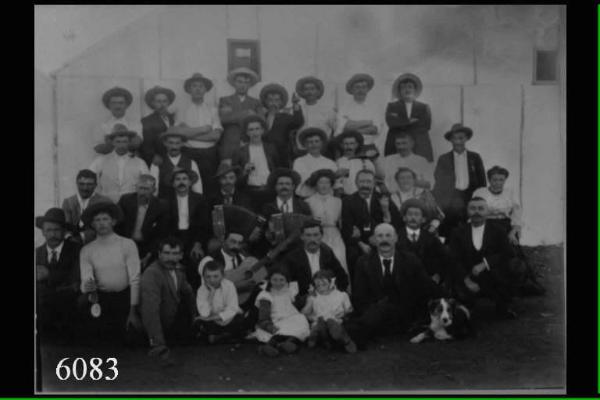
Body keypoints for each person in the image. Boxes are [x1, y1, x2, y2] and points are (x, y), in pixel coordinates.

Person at [344, 223, 442, 349]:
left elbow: (427, 286)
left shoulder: (410, 260)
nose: (384, 240)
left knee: (371, 316)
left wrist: (450, 299)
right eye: (380, 236)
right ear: (373, 240)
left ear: (396, 238)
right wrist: (372, 312)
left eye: (388, 236)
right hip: (374, 315)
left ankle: (346, 336)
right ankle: (349, 335)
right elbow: (359, 296)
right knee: (378, 311)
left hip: (404, 315)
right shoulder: (363, 262)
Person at [472, 167, 545, 296]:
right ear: (489, 180)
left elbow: (516, 213)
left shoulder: (509, 192)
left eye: (501, 180)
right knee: (490, 252)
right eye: (494, 179)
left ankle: (522, 284)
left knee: (513, 251)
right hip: (486, 225)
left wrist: (513, 231)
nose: (498, 183)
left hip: (505, 225)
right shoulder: (480, 192)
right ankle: (489, 284)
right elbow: (475, 211)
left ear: (505, 180)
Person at [78, 202, 143, 345]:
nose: (101, 223)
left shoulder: (127, 244)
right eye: (97, 220)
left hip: (125, 299)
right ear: (92, 224)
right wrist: (87, 286)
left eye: (105, 219)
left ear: (113, 221)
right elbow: (85, 280)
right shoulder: (87, 250)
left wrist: (133, 311)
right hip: (101, 299)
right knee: (99, 341)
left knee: (128, 341)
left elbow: (135, 279)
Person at [448, 197, 517, 319]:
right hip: (467, 275)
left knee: (511, 267)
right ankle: (466, 308)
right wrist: (467, 280)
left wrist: (485, 264)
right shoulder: (457, 232)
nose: (477, 212)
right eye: (473, 208)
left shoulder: (498, 230)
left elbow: (508, 252)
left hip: (492, 274)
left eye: (481, 208)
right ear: (467, 211)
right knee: (463, 304)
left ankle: (503, 306)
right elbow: (454, 259)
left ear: (487, 211)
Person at [140, 237, 197, 361]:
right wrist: (158, 343)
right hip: (158, 329)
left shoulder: (179, 270)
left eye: (175, 254)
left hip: (174, 324)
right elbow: (150, 310)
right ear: (159, 254)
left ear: (181, 255)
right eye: (166, 253)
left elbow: (188, 293)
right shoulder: (152, 274)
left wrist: (195, 318)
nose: (170, 258)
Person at [341, 169, 401, 281]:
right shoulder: (348, 201)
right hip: (359, 241)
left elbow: (396, 222)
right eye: (362, 181)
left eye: (368, 182)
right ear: (356, 183)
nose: (365, 185)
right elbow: (347, 226)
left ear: (374, 183)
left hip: (382, 238)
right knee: (353, 254)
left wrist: (386, 210)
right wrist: (361, 244)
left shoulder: (383, 198)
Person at [433, 123, 486, 238]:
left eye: (461, 138)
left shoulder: (475, 157)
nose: (458, 141)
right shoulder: (444, 158)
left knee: (469, 224)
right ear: (451, 140)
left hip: (470, 195)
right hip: (451, 196)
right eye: (455, 138)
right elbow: (438, 179)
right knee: (449, 225)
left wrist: (479, 197)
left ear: (466, 139)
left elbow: (482, 180)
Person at [35, 208, 81, 341]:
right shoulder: (37, 253)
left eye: (57, 230)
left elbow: (75, 280)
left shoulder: (76, 250)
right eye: (48, 230)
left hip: (68, 309)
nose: (53, 235)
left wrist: (49, 275)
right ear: (43, 232)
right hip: (43, 314)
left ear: (64, 232)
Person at [282, 220, 349, 307]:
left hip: (328, 298)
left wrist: (332, 293)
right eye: (308, 235)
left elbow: (342, 277)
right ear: (302, 237)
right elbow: (287, 285)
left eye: (316, 235)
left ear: (321, 236)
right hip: (304, 301)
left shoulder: (327, 253)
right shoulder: (292, 257)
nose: (312, 239)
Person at [175, 73, 223, 193]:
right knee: (190, 186)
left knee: (209, 187)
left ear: (205, 89)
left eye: (201, 86)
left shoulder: (212, 110)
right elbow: (181, 134)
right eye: (194, 86)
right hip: (189, 153)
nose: (197, 89)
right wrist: (204, 129)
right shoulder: (181, 109)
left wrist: (190, 133)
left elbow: (216, 136)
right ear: (189, 89)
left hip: (209, 155)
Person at [166, 167, 211, 289]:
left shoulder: (200, 199)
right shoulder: (166, 200)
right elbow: (164, 227)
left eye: (185, 179)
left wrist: (198, 244)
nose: (181, 182)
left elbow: (205, 225)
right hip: (173, 238)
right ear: (173, 183)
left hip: (194, 237)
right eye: (178, 179)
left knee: (194, 265)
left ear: (190, 182)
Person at [253, 267, 310, 357]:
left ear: (286, 280)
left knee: (300, 324)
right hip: (277, 321)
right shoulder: (266, 295)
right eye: (274, 280)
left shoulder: (289, 291)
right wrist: (270, 327)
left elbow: (297, 305)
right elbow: (263, 318)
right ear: (269, 280)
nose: (278, 283)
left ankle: (289, 344)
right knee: (281, 332)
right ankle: (268, 347)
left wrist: (309, 295)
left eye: (281, 280)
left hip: (292, 318)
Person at [396, 199, 451, 286]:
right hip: (402, 284)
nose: (413, 218)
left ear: (423, 219)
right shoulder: (395, 238)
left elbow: (444, 259)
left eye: (417, 214)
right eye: (410, 214)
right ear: (404, 218)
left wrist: (438, 275)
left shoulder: (431, 239)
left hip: (427, 283)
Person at [116, 175, 169, 264]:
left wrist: (149, 254)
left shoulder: (161, 206)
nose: (142, 193)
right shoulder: (125, 200)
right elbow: (117, 225)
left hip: (148, 247)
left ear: (154, 190)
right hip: (125, 244)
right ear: (136, 188)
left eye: (146, 189)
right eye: (140, 188)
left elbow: (161, 233)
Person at [89, 124, 149, 203]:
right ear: (112, 142)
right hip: (107, 205)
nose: (121, 145)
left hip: (131, 206)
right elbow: (90, 181)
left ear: (129, 142)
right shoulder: (100, 161)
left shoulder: (140, 163)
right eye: (118, 142)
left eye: (124, 141)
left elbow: (147, 185)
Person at [305, 169, 348, 275]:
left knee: (340, 258)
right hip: (316, 236)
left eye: (327, 182)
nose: (324, 186)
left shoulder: (338, 201)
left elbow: (342, 222)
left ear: (331, 184)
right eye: (321, 182)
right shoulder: (308, 201)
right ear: (316, 184)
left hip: (335, 235)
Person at [301, 270, 356, 353]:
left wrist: (343, 317)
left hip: (337, 321)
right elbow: (304, 313)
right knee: (320, 324)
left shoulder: (342, 295)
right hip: (319, 322)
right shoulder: (313, 297)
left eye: (323, 284)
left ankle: (337, 338)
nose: (320, 286)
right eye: (318, 285)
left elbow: (349, 311)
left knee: (332, 323)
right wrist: (310, 302)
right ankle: (325, 336)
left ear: (331, 282)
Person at [233, 115, 280, 212]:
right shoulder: (240, 152)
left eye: (257, 129)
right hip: (250, 192)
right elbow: (236, 179)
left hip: (270, 190)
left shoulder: (272, 148)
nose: (255, 133)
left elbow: (278, 169)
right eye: (251, 130)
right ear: (246, 132)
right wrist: (245, 172)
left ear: (262, 130)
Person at [218, 67, 264, 164]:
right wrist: (247, 113)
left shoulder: (256, 102)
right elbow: (223, 119)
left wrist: (233, 115)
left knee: (249, 171)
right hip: (229, 144)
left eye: (246, 82)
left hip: (249, 144)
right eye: (240, 82)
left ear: (250, 85)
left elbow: (261, 121)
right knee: (228, 172)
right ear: (234, 83)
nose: (243, 85)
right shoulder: (225, 100)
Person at [195, 260, 247, 344]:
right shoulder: (201, 290)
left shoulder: (229, 285)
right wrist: (211, 294)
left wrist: (212, 318)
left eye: (216, 276)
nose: (212, 280)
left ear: (222, 276)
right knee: (199, 322)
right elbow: (204, 313)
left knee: (240, 319)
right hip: (211, 320)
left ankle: (221, 336)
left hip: (227, 318)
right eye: (208, 276)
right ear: (203, 277)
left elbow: (232, 308)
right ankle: (224, 336)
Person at [383, 73, 433, 161]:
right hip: (396, 146)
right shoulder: (392, 106)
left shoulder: (424, 107)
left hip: (418, 145)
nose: (407, 90)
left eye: (410, 87)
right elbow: (391, 123)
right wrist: (410, 121)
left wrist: (400, 122)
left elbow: (426, 126)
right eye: (403, 87)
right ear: (399, 91)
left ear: (415, 89)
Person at [149, 128, 203, 199]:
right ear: (165, 143)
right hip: (165, 205)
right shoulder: (157, 163)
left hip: (185, 204)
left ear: (182, 144)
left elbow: (198, 190)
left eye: (177, 143)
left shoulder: (191, 163)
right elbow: (153, 190)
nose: (174, 147)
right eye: (171, 143)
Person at [62, 169, 112, 244]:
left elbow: (105, 227)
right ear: (77, 184)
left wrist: (82, 237)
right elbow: (66, 225)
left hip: (98, 243)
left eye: (89, 184)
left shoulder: (104, 202)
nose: (85, 188)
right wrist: (69, 238)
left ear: (95, 185)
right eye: (81, 184)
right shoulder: (68, 202)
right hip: (73, 244)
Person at [335, 73, 382, 154]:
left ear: (368, 89)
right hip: (348, 148)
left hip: (368, 146)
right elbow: (343, 128)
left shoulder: (375, 107)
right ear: (352, 90)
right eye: (357, 87)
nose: (360, 90)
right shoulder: (344, 107)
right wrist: (368, 122)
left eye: (363, 87)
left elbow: (375, 129)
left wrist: (352, 127)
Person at [260, 83, 304, 168]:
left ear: (281, 102)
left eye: (277, 100)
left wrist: (295, 104)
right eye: (270, 100)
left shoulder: (285, 117)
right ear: (265, 102)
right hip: (265, 153)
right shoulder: (261, 117)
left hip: (282, 154)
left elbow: (298, 122)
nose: (273, 103)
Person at [390, 167, 443, 234]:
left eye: (409, 177)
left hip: (425, 232)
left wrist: (431, 228)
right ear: (397, 180)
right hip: (400, 234)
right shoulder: (391, 197)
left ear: (414, 180)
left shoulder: (424, 194)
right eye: (402, 178)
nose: (406, 180)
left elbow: (439, 215)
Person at [293, 76, 336, 157]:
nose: (309, 92)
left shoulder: (327, 110)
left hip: (322, 150)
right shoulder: (298, 108)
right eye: (306, 89)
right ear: (302, 92)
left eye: (312, 89)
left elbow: (336, 129)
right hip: (302, 149)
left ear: (318, 91)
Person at [94, 87, 143, 155]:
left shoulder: (135, 124)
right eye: (113, 103)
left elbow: (137, 144)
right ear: (109, 105)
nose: (117, 106)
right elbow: (97, 147)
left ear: (126, 105)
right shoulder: (101, 125)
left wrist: (111, 142)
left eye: (121, 103)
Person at [292, 128, 337, 198]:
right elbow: (306, 181)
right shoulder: (299, 161)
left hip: (327, 199)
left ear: (322, 143)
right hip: (307, 198)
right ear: (305, 145)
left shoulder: (330, 163)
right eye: (310, 142)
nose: (314, 144)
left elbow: (336, 185)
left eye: (317, 141)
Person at [140, 86, 176, 167]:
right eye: (158, 101)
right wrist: (152, 156)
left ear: (168, 103)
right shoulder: (146, 121)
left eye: (164, 101)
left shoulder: (174, 119)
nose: (162, 104)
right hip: (158, 159)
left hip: (175, 157)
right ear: (153, 103)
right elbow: (146, 143)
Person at [335, 130, 376, 196]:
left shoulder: (365, 161)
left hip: (365, 196)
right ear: (341, 145)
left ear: (357, 145)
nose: (349, 147)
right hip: (347, 197)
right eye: (346, 144)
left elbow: (374, 178)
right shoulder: (338, 162)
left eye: (352, 143)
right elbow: (337, 183)